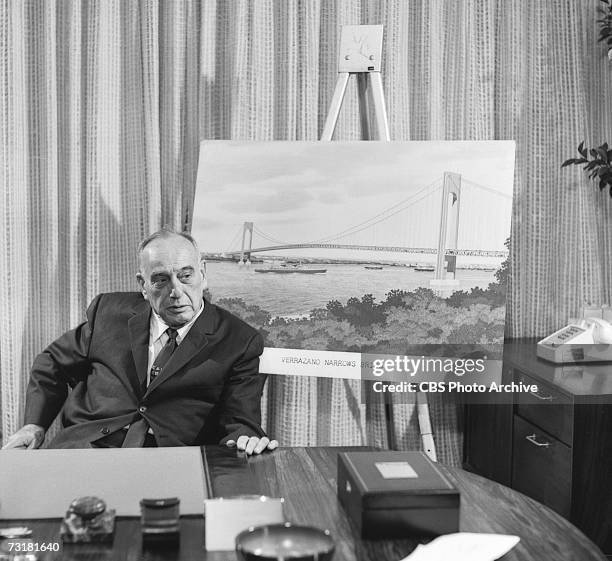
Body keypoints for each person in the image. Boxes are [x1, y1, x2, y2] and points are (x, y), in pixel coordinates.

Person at [2, 229, 277, 455]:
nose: (176, 292)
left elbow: (240, 420)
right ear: (142, 285)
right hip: (84, 449)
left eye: (185, 275)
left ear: (203, 275)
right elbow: (51, 363)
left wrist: (244, 440)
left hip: (171, 461)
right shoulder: (108, 312)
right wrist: (33, 425)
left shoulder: (239, 340)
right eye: (160, 280)